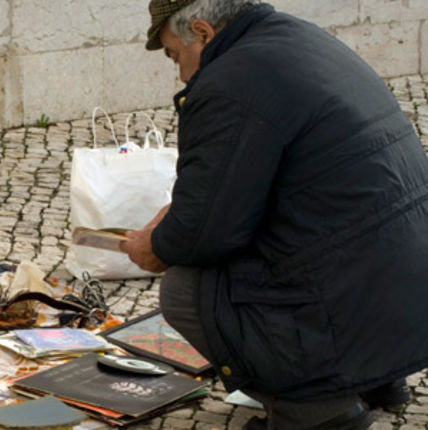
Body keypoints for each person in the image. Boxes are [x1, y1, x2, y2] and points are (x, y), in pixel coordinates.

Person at [119, 0, 428, 429]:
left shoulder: (227, 83)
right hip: (406, 285)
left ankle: (320, 414)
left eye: (176, 56)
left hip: (353, 285)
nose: (182, 74)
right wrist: (187, 210)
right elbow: (257, 184)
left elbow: (202, 236)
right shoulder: (297, 37)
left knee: (186, 291)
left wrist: (152, 245)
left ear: (204, 33)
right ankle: (379, 381)